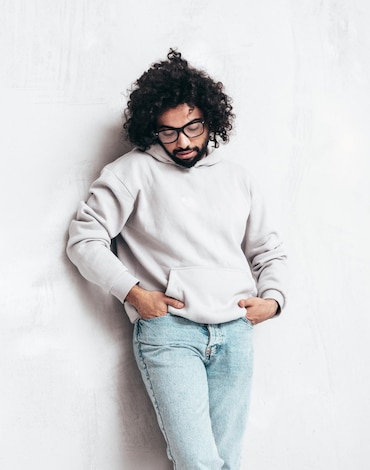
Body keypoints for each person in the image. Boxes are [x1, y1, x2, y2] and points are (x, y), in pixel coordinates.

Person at [66, 49, 287, 469]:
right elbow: (84, 239)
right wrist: (134, 294)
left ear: (211, 120)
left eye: (192, 127)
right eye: (168, 132)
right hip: (170, 332)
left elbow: (267, 249)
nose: (183, 142)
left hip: (234, 332)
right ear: (152, 128)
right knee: (198, 462)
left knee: (226, 462)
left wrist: (273, 299)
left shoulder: (237, 177)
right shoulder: (131, 172)